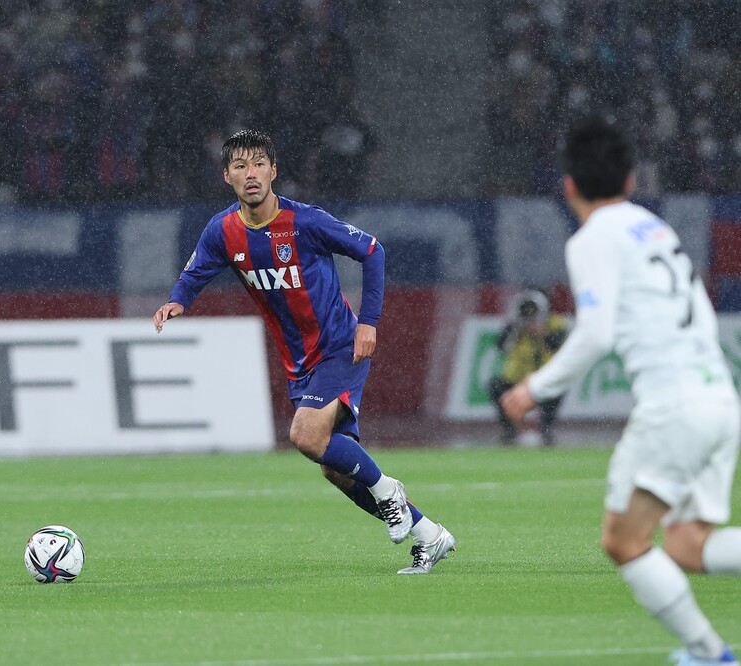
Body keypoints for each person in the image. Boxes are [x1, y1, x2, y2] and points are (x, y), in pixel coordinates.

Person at [153, 129, 455, 574]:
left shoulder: (305, 222)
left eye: (259, 164)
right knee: (335, 468)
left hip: (340, 346)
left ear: (274, 171)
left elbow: (373, 251)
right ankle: (429, 535)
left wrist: (368, 322)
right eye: (240, 166)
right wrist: (178, 300)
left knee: (305, 436)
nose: (251, 173)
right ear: (227, 176)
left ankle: (387, 489)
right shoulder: (223, 230)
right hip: (300, 363)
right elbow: (196, 270)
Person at [502, 116, 741, 666]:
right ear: (631, 181)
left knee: (624, 540)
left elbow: (596, 333)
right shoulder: (654, 228)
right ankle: (708, 654)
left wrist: (534, 387)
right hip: (719, 398)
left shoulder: (593, 238)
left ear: (568, 186)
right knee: (688, 545)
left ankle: (709, 654)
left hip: (676, 406)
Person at [487, 288, 568, 445]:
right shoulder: (516, 323)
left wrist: (541, 333)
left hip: (544, 378)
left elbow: (559, 345)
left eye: (534, 310)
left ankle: (545, 428)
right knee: (496, 386)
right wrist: (517, 327)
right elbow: (501, 346)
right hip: (516, 378)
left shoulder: (555, 323)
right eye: (528, 310)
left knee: (559, 388)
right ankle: (509, 429)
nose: (531, 314)